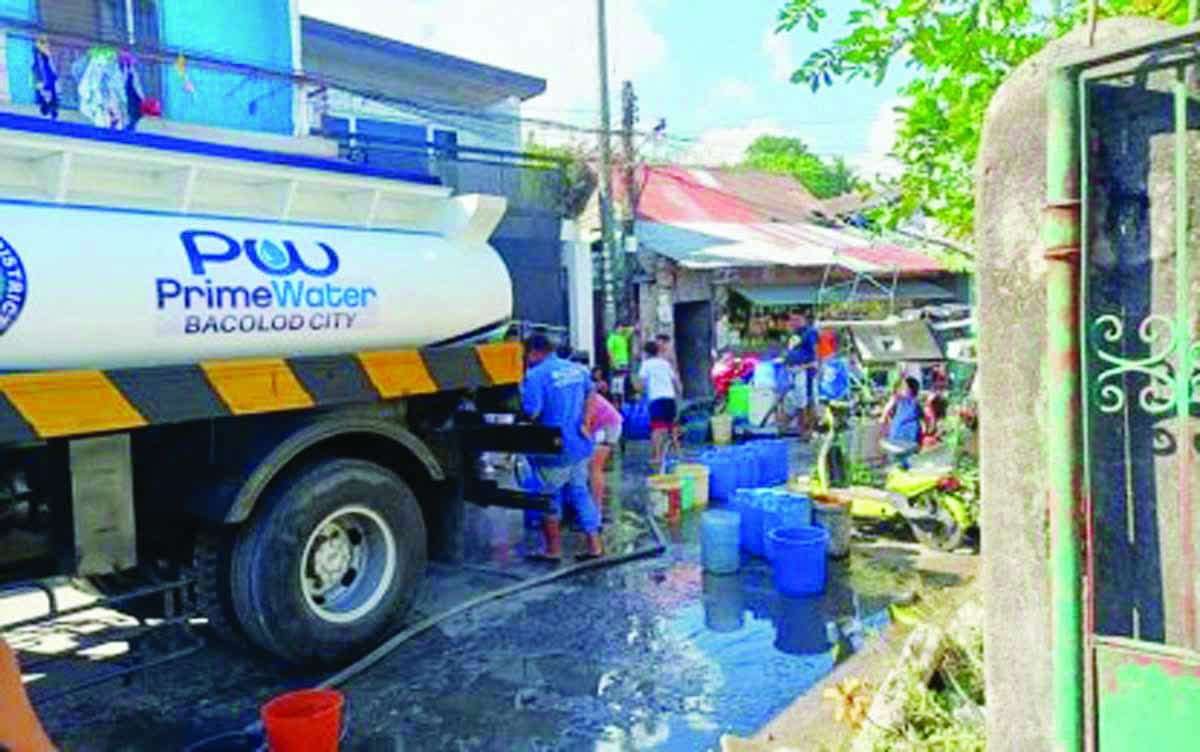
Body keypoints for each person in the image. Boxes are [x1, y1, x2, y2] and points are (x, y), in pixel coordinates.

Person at [521, 335, 603, 561]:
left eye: (526, 355)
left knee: (549, 497)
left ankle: (553, 550)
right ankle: (595, 547)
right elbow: (592, 392)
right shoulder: (577, 369)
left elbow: (533, 412)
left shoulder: (536, 375)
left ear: (535, 352)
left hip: (553, 447)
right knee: (580, 492)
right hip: (579, 443)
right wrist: (586, 422)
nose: (526, 360)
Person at [637, 340, 682, 466]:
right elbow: (675, 381)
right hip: (670, 398)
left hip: (656, 398)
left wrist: (639, 392)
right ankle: (679, 455)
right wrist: (679, 395)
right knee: (672, 427)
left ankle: (657, 457)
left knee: (657, 429)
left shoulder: (646, 364)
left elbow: (641, 383)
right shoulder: (665, 363)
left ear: (645, 352)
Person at [583, 390, 623, 518]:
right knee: (593, 468)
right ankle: (594, 508)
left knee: (595, 468)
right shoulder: (583, 390)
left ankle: (596, 511)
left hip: (606, 426)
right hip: (608, 425)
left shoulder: (585, 395)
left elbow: (587, 423)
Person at [785, 312, 819, 434]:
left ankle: (807, 429)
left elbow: (815, 351)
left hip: (805, 371)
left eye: (797, 319)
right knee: (797, 400)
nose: (794, 322)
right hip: (793, 371)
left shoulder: (810, 332)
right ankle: (800, 427)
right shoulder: (794, 334)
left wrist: (813, 366)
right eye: (792, 320)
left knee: (807, 400)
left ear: (804, 319)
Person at [880, 376, 923, 467]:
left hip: (907, 432)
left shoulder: (913, 402)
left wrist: (884, 417)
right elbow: (889, 405)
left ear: (910, 390)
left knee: (905, 456)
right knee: (897, 456)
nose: (901, 389)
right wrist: (884, 417)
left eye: (904, 387)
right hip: (900, 431)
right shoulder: (900, 400)